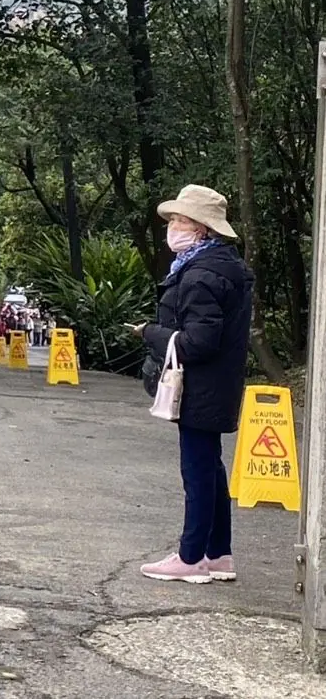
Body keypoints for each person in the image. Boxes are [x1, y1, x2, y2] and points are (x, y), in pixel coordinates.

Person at [141, 185, 253, 585]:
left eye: (180, 220)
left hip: (201, 387)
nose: (172, 227)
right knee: (211, 468)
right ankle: (218, 553)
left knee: (198, 471)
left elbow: (199, 341)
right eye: (172, 219)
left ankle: (191, 557)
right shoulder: (222, 266)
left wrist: (151, 334)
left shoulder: (201, 275)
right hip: (219, 383)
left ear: (202, 229)